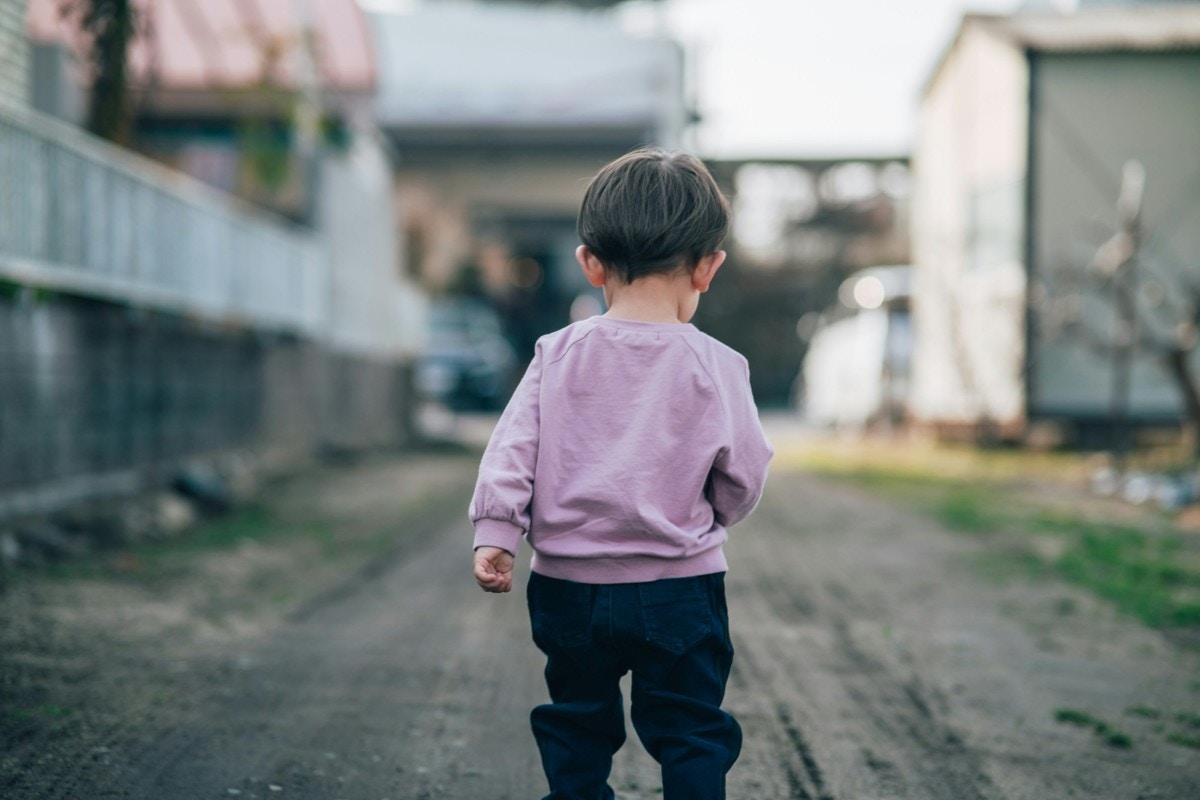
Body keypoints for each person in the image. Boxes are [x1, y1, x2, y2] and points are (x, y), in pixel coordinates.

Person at [469, 146, 774, 800]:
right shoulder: (718, 364)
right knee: (690, 728)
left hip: (569, 589)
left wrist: (497, 532)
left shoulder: (557, 353)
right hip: (680, 587)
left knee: (576, 723)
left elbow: (512, 449)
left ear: (590, 263)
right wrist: (713, 513)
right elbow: (744, 473)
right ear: (709, 267)